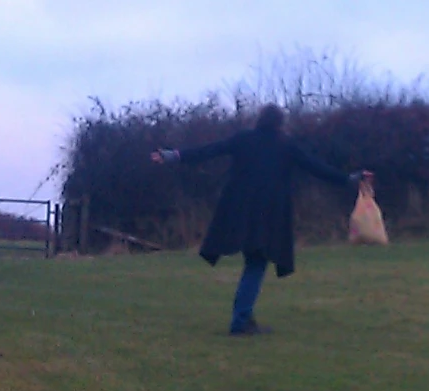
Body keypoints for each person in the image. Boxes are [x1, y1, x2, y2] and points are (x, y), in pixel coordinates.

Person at [152, 104, 371, 335]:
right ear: (279, 123)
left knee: (253, 263)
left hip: (239, 212)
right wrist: (350, 179)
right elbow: (316, 168)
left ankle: (244, 316)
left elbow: (209, 150)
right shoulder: (286, 145)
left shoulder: (243, 139)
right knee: (256, 264)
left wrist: (173, 156)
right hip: (268, 215)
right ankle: (241, 320)